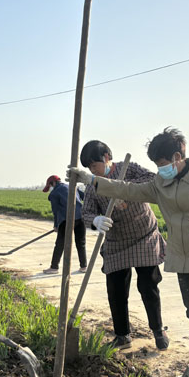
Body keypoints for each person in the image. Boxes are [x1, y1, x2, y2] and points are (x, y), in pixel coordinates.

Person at [68, 128, 189, 377]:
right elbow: (129, 190)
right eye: (156, 165)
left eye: (161, 164)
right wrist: (92, 180)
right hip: (182, 258)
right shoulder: (161, 184)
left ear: (177, 156)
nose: (159, 169)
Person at [79, 140, 169, 351]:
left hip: (143, 234)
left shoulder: (129, 169)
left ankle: (158, 330)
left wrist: (125, 190)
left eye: (95, 164)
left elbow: (152, 180)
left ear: (107, 157)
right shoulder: (93, 185)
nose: (93, 169)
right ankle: (122, 335)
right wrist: (96, 220)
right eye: (89, 167)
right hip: (117, 240)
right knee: (116, 289)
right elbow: (86, 213)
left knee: (148, 285)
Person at [42, 175, 87, 274]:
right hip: (81, 217)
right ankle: (84, 266)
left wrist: (56, 225)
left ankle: (54, 267)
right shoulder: (72, 187)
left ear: (53, 183)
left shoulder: (54, 194)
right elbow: (85, 197)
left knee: (60, 244)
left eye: (50, 186)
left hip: (67, 220)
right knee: (81, 243)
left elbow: (56, 211)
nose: (51, 188)